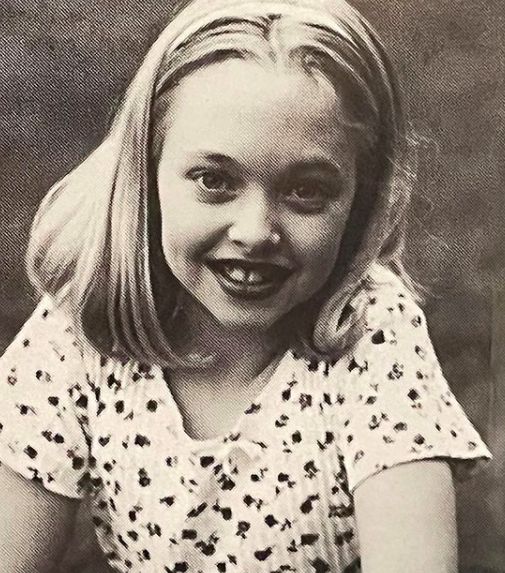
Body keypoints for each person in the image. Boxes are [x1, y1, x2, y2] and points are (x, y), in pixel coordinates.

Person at [0, 0, 492, 572]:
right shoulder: (83, 322)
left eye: (306, 191)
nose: (256, 232)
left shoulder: (370, 332)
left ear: (361, 198)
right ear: (145, 173)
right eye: (214, 180)